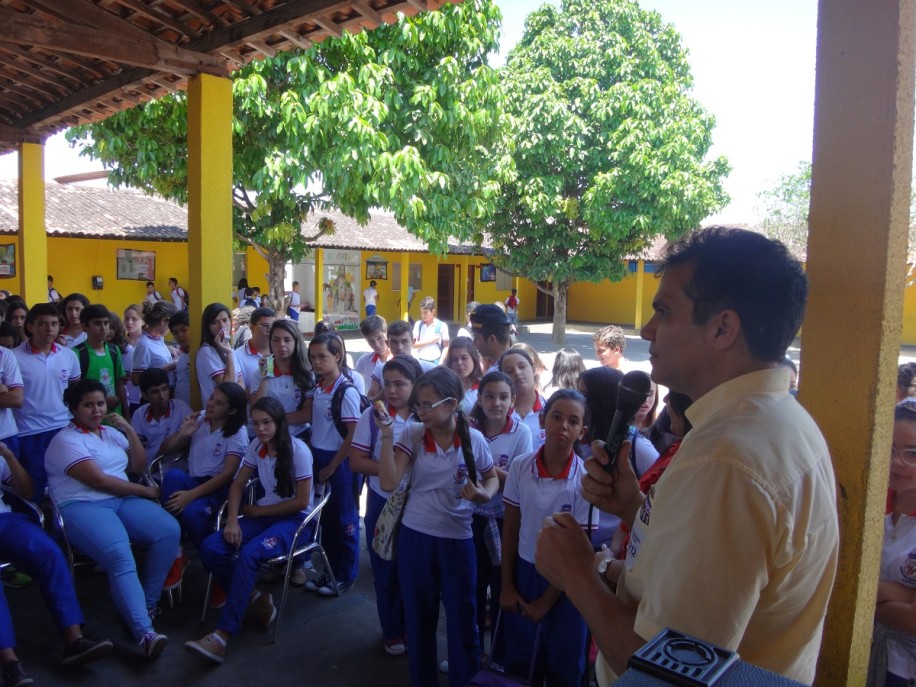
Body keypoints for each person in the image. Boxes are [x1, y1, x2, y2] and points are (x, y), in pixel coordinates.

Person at [535, 227, 839, 684]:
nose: (647, 330)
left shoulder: (727, 459)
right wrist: (634, 506)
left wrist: (577, 574)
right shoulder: (772, 420)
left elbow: (667, 674)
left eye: (664, 312)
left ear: (722, 328)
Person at [378, 366, 499, 687]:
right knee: (419, 621)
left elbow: (490, 476)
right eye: (418, 404)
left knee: (463, 620)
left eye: (428, 404)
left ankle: (466, 679)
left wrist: (483, 495)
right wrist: (387, 433)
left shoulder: (473, 440)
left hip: (458, 540)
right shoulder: (413, 434)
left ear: (452, 403)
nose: (420, 411)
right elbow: (389, 482)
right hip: (415, 538)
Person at [45, 380, 180, 659]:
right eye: (88, 405)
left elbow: (138, 466)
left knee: (168, 530)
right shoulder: (65, 440)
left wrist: (129, 429)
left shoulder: (109, 433)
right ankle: (144, 633)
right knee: (120, 556)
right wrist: (147, 490)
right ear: (74, 408)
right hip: (81, 506)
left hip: (121, 500)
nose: (96, 410)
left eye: (100, 404)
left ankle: (147, 604)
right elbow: (100, 481)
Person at [184, 397, 313, 664]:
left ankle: (222, 636)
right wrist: (232, 521)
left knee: (250, 554)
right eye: (256, 423)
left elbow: (301, 502)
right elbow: (236, 485)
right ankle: (255, 598)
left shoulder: (299, 450)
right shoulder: (257, 446)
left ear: (279, 422)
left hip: (295, 521)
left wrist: (259, 511)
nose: (261, 429)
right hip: (264, 517)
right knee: (210, 546)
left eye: (266, 422)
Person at [0, 440, 113, 686]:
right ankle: (9, 662)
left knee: (50, 553)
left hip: (5, 518)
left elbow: (27, 493)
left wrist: (8, 456)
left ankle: (74, 639)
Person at [501, 389, 591, 686]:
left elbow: (578, 553)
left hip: (567, 584)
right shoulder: (520, 467)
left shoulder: (584, 481)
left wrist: (545, 601)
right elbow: (511, 528)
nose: (563, 426)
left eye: (573, 421)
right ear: (542, 420)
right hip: (525, 571)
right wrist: (507, 586)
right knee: (520, 660)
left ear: (582, 431)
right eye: (556, 417)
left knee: (564, 663)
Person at [349, 355, 424, 656]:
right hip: (382, 502)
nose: (392, 391)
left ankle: (415, 628)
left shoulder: (426, 417)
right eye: (388, 383)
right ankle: (392, 630)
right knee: (386, 569)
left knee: (416, 569)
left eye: (400, 384)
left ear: (416, 384)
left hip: (419, 503)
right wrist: (391, 469)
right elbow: (356, 461)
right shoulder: (373, 416)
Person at [159, 382, 249, 600]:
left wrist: (191, 495)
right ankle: (177, 551)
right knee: (172, 477)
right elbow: (165, 450)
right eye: (211, 399)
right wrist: (183, 433)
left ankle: (217, 569)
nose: (210, 405)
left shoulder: (238, 433)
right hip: (195, 480)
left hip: (221, 489)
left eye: (219, 403)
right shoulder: (199, 420)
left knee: (192, 512)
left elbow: (227, 475)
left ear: (232, 410)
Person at [469, 371, 532, 659]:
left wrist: (486, 470)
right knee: (472, 587)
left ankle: (499, 656)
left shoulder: (522, 433)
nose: (497, 402)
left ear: (513, 401)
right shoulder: (467, 430)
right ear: (479, 399)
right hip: (469, 519)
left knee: (501, 586)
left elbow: (519, 480)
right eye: (490, 396)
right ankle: (471, 652)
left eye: (503, 397)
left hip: (503, 522)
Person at [302, 333, 362, 595]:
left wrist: (333, 466)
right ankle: (328, 571)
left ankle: (345, 575)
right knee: (325, 520)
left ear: (337, 356)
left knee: (344, 520)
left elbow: (353, 435)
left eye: (322, 356)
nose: (316, 362)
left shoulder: (345, 391)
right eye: (313, 357)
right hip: (319, 456)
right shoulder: (318, 386)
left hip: (338, 460)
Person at [12, 303, 81, 500]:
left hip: (64, 427)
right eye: (42, 324)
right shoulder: (14, 357)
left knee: (68, 482)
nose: (49, 329)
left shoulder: (69, 355)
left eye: (54, 323)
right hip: (29, 432)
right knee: (36, 486)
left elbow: (75, 392)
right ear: (30, 327)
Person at [872, 398, 916, 686]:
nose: (896, 462)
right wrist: (905, 595)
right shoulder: (869, 504)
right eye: (889, 449)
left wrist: (863, 598)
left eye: (912, 453)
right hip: (865, 650)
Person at [250, 319, 314, 440]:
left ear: (296, 342)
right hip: (268, 437)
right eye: (276, 340)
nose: (281, 345)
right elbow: (255, 409)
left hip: (298, 436)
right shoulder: (259, 374)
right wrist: (265, 378)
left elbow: (307, 414)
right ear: (270, 343)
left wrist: (272, 420)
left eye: (287, 340)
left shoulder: (307, 374)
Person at [73, 304, 129, 419]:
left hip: (114, 418)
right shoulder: (77, 353)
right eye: (97, 323)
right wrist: (102, 401)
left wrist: (127, 416)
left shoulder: (114, 350)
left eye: (106, 323)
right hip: (89, 420)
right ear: (84, 326)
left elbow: (119, 386)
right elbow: (74, 391)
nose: (103, 328)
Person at [130, 368, 193, 465]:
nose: (162, 396)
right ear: (144, 395)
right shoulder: (139, 415)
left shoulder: (182, 409)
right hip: (148, 471)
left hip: (177, 469)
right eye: (155, 392)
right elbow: (136, 450)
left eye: (164, 389)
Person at [498, 348, 546, 450]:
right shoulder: (498, 412)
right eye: (509, 371)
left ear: (533, 370)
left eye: (522, 366)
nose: (517, 372)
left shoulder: (549, 409)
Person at [196, 303, 243, 405]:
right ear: (208, 327)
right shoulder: (206, 351)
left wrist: (229, 352)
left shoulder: (228, 348)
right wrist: (229, 354)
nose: (222, 326)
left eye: (225, 320)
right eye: (214, 322)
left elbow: (241, 383)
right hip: (216, 415)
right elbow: (227, 387)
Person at [131, 301, 178, 387]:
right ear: (163, 321)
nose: (171, 329)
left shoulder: (158, 340)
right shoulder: (144, 344)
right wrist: (168, 367)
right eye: (171, 325)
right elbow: (136, 379)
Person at [235, 308, 276, 407]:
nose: (270, 330)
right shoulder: (237, 356)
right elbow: (237, 395)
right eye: (265, 326)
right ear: (252, 327)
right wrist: (262, 382)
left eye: (273, 326)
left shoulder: (281, 352)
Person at [356, 315, 392, 399]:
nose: (377, 344)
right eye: (370, 341)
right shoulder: (364, 360)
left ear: (387, 333)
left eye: (379, 338)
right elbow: (354, 381)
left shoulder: (402, 358)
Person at [470, 304, 512, 373]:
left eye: (476, 338)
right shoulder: (523, 363)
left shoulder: (494, 376)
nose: (474, 343)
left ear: (491, 339)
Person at [446, 337, 482, 414]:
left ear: (474, 359)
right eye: (455, 359)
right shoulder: (444, 387)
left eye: (464, 358)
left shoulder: (483, 386)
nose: (459, 363)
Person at [412, 297, 450, 366]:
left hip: (435, 361)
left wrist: (440, 362)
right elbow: (414, 345)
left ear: (433, 311)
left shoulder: (442, 326)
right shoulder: (418, 325)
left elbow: (446, 347)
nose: (423, 315)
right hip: (420, 361)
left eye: (425, 313)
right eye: (421, 312)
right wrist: (431, 340)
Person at [122, 304, 144, 414]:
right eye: (126, 318)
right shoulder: (121, 343)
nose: (129, 322)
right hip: (125, 394)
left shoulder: (146, 343)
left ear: (143, 321)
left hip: (141, 394)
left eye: (134, 319)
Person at [168, 310, 192, 407]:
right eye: (176, 332)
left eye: (184, 330)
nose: (180, 335)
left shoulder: (201, 355)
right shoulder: (182, 357)